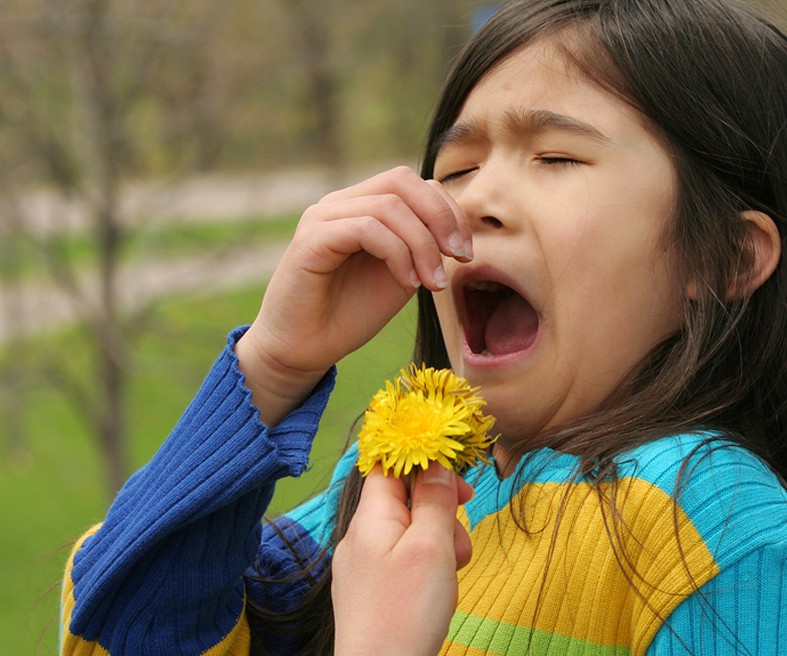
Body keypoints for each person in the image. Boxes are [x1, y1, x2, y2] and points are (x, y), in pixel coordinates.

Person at [60, 0, 787, 654]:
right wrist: (274, 364)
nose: (469, 204)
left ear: (722, 256)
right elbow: (126, 632)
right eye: (456, 168)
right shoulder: (402, 489)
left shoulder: (718, 523)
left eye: (556, 157)